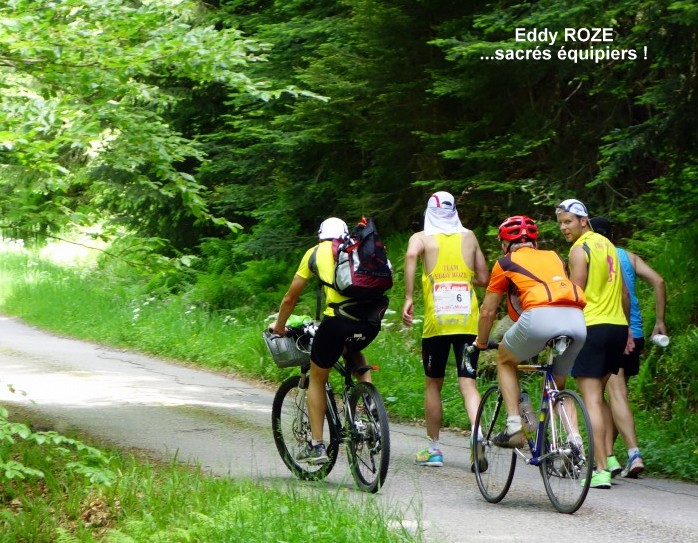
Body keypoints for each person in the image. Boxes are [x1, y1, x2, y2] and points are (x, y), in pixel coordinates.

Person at [270, 217, 382, 464]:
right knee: (352, 349)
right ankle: (370, 404)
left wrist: (279, 326)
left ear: (321, 235)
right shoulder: (358, 248)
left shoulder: (315, 252)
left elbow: (290, 298)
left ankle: (316, 446)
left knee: (317, 377)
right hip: (371, 320)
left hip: (338, 320)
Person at [474, 215, 587, 449]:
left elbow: (487, 312)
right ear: (534, 243)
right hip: (577, 318)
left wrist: (482, 342)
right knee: (558, 386)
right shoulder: (554, 257)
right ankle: (574, 441)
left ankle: (515, 425)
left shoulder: (505, 263)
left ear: (505, 245)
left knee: (504, 360)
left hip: (539, 316)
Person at [402, 191, 489, 468]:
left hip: (437, 323)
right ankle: (478, 434)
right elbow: (484, 278)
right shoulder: (470, 237)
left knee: (433, 383)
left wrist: (409, 296)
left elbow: (410, 255)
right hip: (467, 321)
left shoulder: (421, 238)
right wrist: (462, 279)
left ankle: (434, 449)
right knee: (468, 382)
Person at [556, 199, 633, 489]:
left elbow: (574, 294)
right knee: (598, 398)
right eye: (561, 222)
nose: (564, 227)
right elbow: (624, 292)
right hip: (615, 327)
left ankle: (600, 470)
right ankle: (611, 457)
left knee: (590, 400)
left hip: (592, 326)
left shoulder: (580, 249)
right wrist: (625, 331)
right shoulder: (609, 246)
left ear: (583, 221)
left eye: (569, 222)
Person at [590, 217, 667, 479]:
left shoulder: (591, 254)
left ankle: (633, 453)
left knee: (614, 394)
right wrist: (659, 321)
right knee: (611, 395)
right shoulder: (628, 256)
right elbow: (658, 281)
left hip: (612, 330)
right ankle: (608, 455)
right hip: (636, 332)